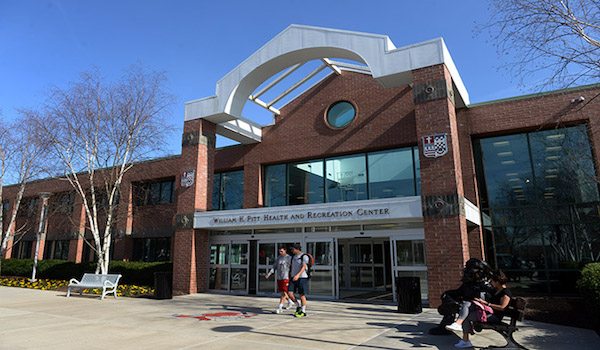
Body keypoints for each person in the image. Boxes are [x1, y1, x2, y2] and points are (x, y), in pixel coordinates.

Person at [449, 270, 513, 348]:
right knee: (468, 304)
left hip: (494, 317)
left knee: (467, 316)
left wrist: (487, 303)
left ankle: (465, 338)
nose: (491, 283)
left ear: (497, 282)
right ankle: (459, 325)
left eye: (492, 281)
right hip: (488, 313)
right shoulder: (497, 290)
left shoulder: (506, 292)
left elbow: (502, 307)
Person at [265, 246, 294, 314]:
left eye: (281, 251)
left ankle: (280, 308)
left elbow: (293, 266)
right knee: (282, 292)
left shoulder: (289, 258)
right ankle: (290, 301)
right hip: (279, 277)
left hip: (286, 277)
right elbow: (274, 267)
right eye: (279, 251)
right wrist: (269, 274)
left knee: (283, 293)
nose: (280, 252)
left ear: (285, 251)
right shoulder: (278, 258)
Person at [287, 243, 310, 318]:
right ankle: (298, 305)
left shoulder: (304, 256)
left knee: (301, 294)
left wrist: (298, 275)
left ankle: (303, 311)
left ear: (297, 249)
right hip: (293, 277)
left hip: (302, 277)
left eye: (293, 249)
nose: (292, 250)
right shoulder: (293, 257)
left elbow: (304, 267)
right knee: (290, 293)